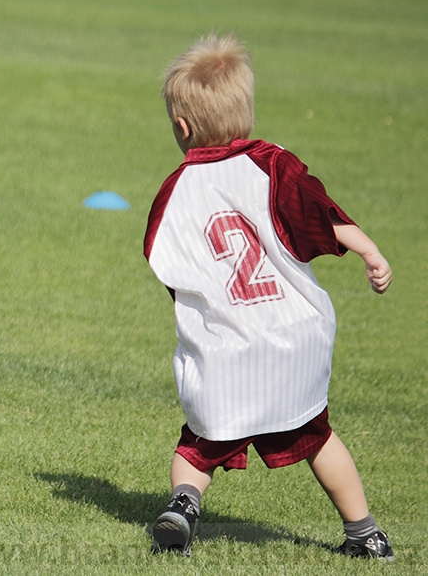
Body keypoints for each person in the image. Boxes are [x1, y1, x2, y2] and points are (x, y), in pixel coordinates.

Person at [143, 32, 394, 560]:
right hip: (293, 338)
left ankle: (184, 506)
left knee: (198, 445)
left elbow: (163, 257)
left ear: (182, 126)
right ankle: (366, 534)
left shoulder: (177, 188)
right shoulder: (272, 164)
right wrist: (369, 250)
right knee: (318, 436)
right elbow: (318, 213)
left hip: (229, 349)